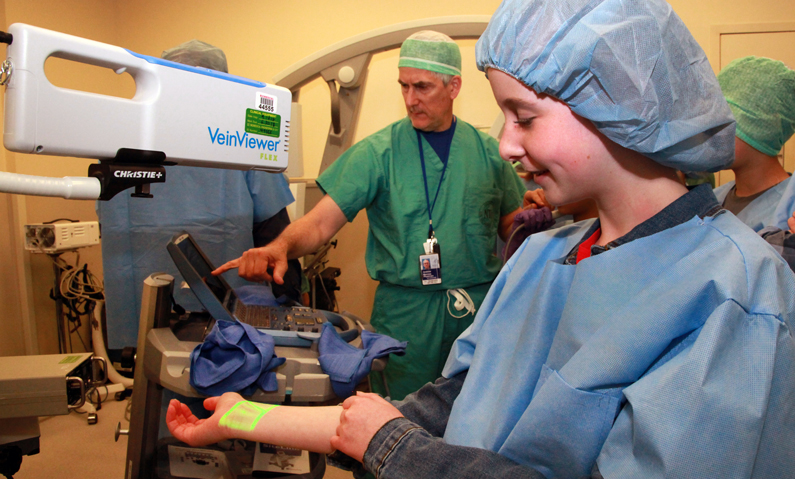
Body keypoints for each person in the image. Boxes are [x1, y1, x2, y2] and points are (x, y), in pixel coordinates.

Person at [168, 1, 795, 477]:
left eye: (524, 117)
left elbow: (400, 438)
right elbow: (445, 405)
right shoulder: (547, 258)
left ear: (619, 106)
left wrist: (400, 454)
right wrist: (242, 416)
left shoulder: (734, 296)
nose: (506, 144)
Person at [213, 30, 526, 400]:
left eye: (422, 87)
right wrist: (279, 247)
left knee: (474, 414)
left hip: (477, 313)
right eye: (404, 86)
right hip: (406, 315)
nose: (410, 99)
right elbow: (319, 224)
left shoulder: (490, 153)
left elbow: (509, 224)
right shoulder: (378, 154)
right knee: (402, 417)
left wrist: (528, 219)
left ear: (454, 86)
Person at [97, 40, 300, 350]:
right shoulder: (242, 144)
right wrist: (292, 300)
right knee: (223, 391)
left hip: (144, 320)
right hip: (228, 323)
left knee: (156, 387)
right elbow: (276, 236)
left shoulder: (117, 142)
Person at [712, 56, 795, 232]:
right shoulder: (713, 200)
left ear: (763, 127)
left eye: (725, 122)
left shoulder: (789, 211)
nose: (712, 132)